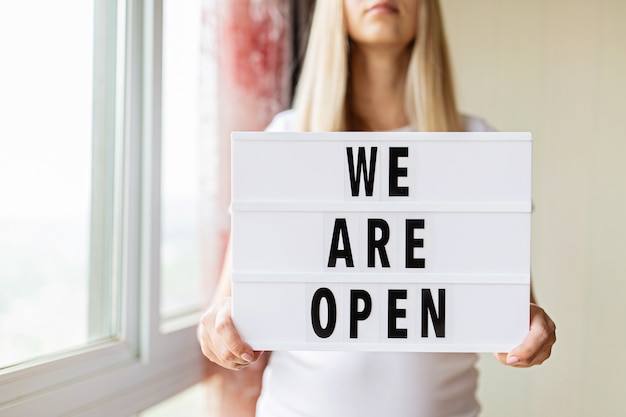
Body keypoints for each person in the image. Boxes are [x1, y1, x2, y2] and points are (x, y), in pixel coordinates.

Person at [198, 0, 557, 416]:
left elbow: (513, 321)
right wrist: (220, 332)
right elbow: (224, 311)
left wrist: (528, 332)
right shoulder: (287, 139)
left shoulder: (479, 147)